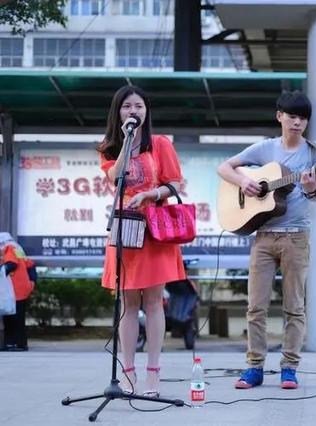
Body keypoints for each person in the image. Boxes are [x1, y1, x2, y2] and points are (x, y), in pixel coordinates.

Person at [217, 91, 316, 390]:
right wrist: (244, 181)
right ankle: (254, 367)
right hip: (264, 237)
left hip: (297, 238)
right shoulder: (265, 148)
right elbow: (224, 167)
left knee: (295, 306)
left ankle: (289, 368)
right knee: (256, 306)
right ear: (279, 116)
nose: (297, 122)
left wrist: (309, 188)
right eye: (292, 116)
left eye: (303, 118)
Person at [97, 85, 185, 397]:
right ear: (117, 112)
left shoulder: (160, 144)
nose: (133, 111)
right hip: (124, 230)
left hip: (155, 231)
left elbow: (175, 184)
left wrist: (151, 194)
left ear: (146, 111)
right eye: (127, 106)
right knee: (128, 303)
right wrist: (126, 141)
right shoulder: (108, 147)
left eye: (139, 106)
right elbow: (115, 177)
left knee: (154, 302)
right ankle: (128, 374)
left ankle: (153, 374)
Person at [0, 232, 35, 351]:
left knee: (12, 318)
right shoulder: (19, 250)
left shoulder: (9, 248)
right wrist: (32, 281)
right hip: (20, 289)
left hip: (15, 290)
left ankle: (18, 344)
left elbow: (11, 264)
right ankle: (13, 344)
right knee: (14, 317)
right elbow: (31, 265)